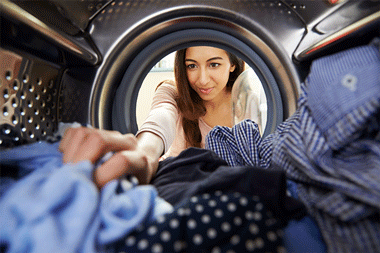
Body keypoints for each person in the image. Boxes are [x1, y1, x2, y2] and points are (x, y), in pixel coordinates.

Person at [59, 46, 245, 188]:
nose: (203, 79)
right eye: (192, 65)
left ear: (233, 64)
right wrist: (144, 154)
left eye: (214, 64)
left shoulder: (247, 99)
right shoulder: (172, 91)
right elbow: (160, 117)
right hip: (179, 183)